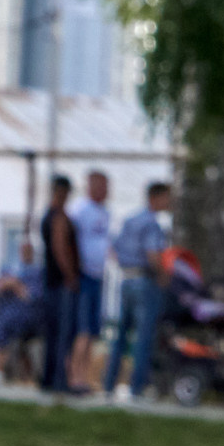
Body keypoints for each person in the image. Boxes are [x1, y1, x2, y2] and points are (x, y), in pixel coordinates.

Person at [106, 180, 171, 401]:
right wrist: (163, 276)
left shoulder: (130, 220)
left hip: (126, 280)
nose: (169, 202)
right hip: (145, 281)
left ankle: (109, 384)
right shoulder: (152, 224)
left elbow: (114, 249)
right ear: (156, 197)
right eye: (167, 197)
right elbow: (153, 254)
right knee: (144, 337)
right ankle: (137, 388)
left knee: (121, 336)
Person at [0, 240, 45, 384]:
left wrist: (16, 286)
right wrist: (1, 285)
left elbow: (33, 298)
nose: (25, 253)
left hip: (25, 315)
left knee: (0, 324)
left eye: (28, 251)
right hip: (0, 311)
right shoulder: (9, 269)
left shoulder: (38, 272)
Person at [68, 168, 111, 392]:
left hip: (98, 276)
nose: (106, 191)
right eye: (102, 186)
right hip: (83, 276)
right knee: (82, 330)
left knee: (93, 331)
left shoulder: (105, 212)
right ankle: (74, 377)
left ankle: (84, 378)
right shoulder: (79, 211)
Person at [38, 174, 78, 391]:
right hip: (60, 283)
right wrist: (70, 276)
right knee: (62, 333)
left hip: (50, 281)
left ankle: (49, 377)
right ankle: (58, 379)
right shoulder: (58, 217)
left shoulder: (48, 215)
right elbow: (60, 248)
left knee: (52, 333)